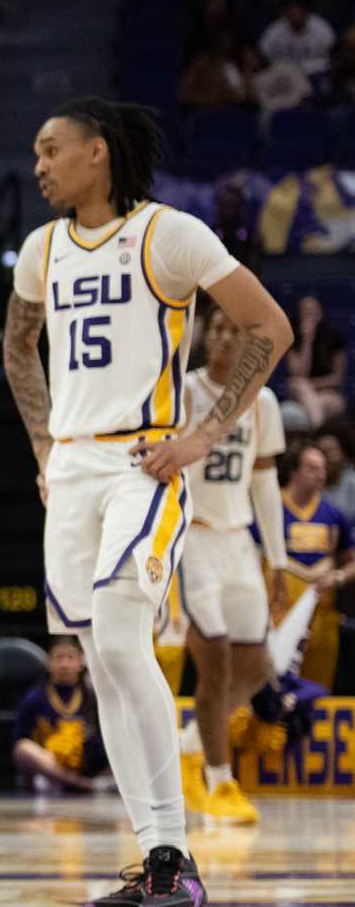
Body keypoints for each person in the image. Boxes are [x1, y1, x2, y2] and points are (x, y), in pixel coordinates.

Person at [4, 96, 290, 907]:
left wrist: (204, 433)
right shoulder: (41, 249)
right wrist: (41, 449)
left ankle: (174, 854)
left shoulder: (170, 234)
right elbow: (18, 346)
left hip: (144, 460)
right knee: (100, 664)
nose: (39, 166)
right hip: (73, 466)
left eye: (51, 149)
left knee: (127, 644)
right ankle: (150, 854)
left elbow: (267, 326)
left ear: (98, 153)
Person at [174, 304, 288, 828]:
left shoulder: (262, 401)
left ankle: (193, 741)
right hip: (193, 539)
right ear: (206, 335)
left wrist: (279, 559)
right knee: (214, 655)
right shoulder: (184, 392)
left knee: (258, 664)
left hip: (239, 541)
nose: (224, 337)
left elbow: (264, 481)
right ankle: (219, 781)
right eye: (217, 327)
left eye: (235, 330)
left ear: (249, 344)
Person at [278, 442, 351, 692]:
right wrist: (299, 571)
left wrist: (338, 576)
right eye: (312, 468)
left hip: (321, 610)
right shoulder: (271, 508)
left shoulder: (334, 513)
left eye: (323, 468)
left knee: (316, 687)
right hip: (278, 612)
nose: (321, 473)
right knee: (274, 682)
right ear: (294, 471)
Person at [14, 637, 113, 792]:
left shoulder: (91, 695)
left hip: (89, 767)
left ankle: (91, 783)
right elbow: (20, 739)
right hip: (50, 770)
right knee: (23, 748)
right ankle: (82, 785)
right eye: (59, 658)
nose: (64, 664)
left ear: (81, 662)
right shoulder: (34, 697)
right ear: (49, 663)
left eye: (70, 658)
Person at [282, 295, 346, 431]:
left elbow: (337, 378)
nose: (309, 316)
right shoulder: (293, 340)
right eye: (305, 312)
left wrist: (312, 385)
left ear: (320, 313)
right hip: (299, 391)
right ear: (299, 315)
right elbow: (299, 373)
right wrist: (307, 341)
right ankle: (319, 432)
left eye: (313, 311)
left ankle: (314, 431)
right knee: (299, 384)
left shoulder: (334, 339)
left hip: (326, 392)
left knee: (322, 402)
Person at [258, 0, 335, 83]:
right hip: (284, 76)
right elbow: (262, 55)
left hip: (315, 74)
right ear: (285, 14)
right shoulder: (274, 31)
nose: (295, 17)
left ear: (306, 12)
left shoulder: (322, 29)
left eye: (298, 13)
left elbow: (332, 55)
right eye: (291, 14)